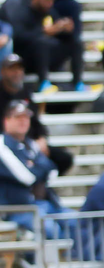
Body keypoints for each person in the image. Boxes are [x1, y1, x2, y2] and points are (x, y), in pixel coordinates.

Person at [2, 0, 86, 92]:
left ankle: (78, 83)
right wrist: (43, 32)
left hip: (48, 57)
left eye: (52, 0)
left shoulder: (49, 11)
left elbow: (57, 31)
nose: (49, 3)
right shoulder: (22, 11)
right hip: (27, 58)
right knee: (42, 42)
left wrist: (65, 30)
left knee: (76, 42)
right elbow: (18, 36)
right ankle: (43, 83)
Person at [0, 54, 72, 175]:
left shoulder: (25, 92)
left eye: (19, 69)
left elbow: (35, 121)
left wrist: (41, 138)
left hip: (27, 141)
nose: (16, 72)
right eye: (12, 69)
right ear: (3, 71)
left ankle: (42, 186)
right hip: (5, 144)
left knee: (63, 158)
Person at [0, 101, 62, 238]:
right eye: (18, 117)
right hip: (16, 209)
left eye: (26, 117)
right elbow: (27, 177)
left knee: (74, 222)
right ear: (6, 120)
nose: (23, 121)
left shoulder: (31, 144)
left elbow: (52, 172)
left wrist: (34, 167)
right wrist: (36, 168)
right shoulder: (2, 144)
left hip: (42, 204)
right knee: (51, 229)